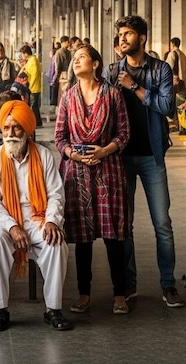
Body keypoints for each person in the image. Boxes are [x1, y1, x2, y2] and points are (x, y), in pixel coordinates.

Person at [107, 15, 184, 308]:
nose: (123, 38)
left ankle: (168, 284)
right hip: (121, 156)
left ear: (142, 38)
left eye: (128, 33)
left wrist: (135, 87)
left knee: (162, 223)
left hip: (152, 155)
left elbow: (166, 107)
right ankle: (128, 284)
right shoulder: (113, 71)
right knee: (124, 224)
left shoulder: (160, 69)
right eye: (121, 34)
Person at [0, 100, 71, 332]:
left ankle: (52, 309)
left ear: (27, 128)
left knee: (56, 243)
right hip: (4, 221)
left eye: (17, 127)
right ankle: (0, 309)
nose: (11, 133)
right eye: (6, 128)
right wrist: (12, 227)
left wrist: (52, 221)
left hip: (37, 218)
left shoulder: (42, 155)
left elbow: (55, 194)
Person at [55, 44, 130, 315]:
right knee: (82, 238)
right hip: (76, 174)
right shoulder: (67, 96)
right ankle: (83, 293)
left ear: (96, 64)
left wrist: (105, 150)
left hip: (108, 170)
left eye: (81, 58)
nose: (76, 62)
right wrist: (72, 154)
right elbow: (59, 137)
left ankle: (120, 294)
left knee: (113, 237)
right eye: (74, 59)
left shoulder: (112, 95)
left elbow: (123, 133)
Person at [19, 44, 43, 127]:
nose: (22, 55)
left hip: (34, 87)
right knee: (34, 105)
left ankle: (36, 122)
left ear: (26, 53)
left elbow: (34, 75)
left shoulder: (33, 60)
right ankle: (38, 122)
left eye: (22, 53)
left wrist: (30, 86)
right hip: (32, 87)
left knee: (33, 106)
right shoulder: (30, 61)